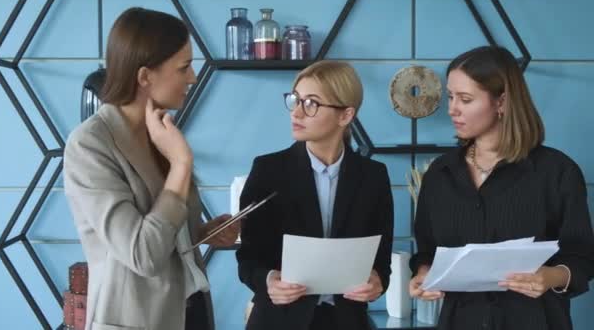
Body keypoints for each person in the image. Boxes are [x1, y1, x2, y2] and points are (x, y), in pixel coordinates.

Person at [64, 7, 239, 330]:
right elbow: (143, 255)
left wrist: (202, 232)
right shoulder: (90, 145)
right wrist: (181, 163)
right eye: (184, 67)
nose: (193, 77)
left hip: (191, 310)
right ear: (145, 76)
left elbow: (164, 228)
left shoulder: (158, 132)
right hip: (136, 320)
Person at [408, 45, 594, 330]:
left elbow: (582, 258)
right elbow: (426, 253)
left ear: (502, 102)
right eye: (450, 97)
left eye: (466, 99)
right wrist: (423, 276)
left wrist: (551, 276)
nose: (452, 109)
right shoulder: (439, 173)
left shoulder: (557, 172)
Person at [236, 60, 394, 330]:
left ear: (345, 115)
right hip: (279, 321)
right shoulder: (268, 170)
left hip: (347, 322)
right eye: (295, 100)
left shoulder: (373, 176)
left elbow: (381, 262)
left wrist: (378, 282)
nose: (296, 113)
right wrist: (269, 280)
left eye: (311, 103)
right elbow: (248, 259)